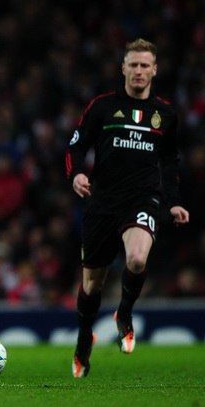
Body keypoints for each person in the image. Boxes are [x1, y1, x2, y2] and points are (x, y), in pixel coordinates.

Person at [65, 39, 190, 378]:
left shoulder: (165, 114)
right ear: (123, 68)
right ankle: (83, 340)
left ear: (154, 70)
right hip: (103, 202)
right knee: (91, 285)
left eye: (144, 65)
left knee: (136, 259)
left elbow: (170, 161)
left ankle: (124, 313)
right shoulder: (102, 107)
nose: (138, 71)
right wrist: (77, 174)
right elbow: (76, 147)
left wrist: (174, 201)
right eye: (133, 64)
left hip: (143, 200)